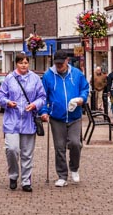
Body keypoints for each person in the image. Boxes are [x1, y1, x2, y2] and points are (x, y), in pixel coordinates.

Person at [40, 50, 90, 187]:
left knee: (75, 143)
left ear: (67, 61)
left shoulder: (77, 74)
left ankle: (74, 168)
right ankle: (62, 175)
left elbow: (85, 88)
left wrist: (81, 99)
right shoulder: (48, 76)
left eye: (61, 63)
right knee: (59, 147)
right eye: (57, 64)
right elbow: (43, 95)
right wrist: (44, 111)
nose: (59, 66)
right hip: (56, 117)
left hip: (74, 116)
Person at [0, 53, 46, 192]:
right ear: (16, 64)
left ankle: (26, 181)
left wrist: (35, 105)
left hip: (28, 121)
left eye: (26, 62)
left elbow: (42, 97)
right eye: (21, 63)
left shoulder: (35, 79)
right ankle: (13, 175)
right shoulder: (9, 78)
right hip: (11, 121)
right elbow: (1, 96)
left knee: (27, 153)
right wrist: (8, 102)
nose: (24, 65)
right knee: (12, 149)